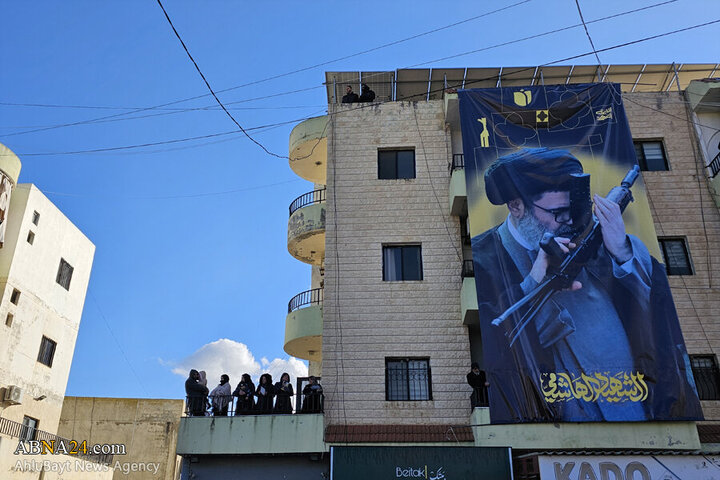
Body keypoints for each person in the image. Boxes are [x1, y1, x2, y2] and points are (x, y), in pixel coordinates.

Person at [472, 147, 685, 423]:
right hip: (553, 418)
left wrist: (621, 250)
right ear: (516, 206)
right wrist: (535, 278)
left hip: (633, 407)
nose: (570, 221)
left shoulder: (594, 237)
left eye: (573, 210)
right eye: (558, 213)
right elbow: (494, 333)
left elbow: (654, 312)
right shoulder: (484, 256)